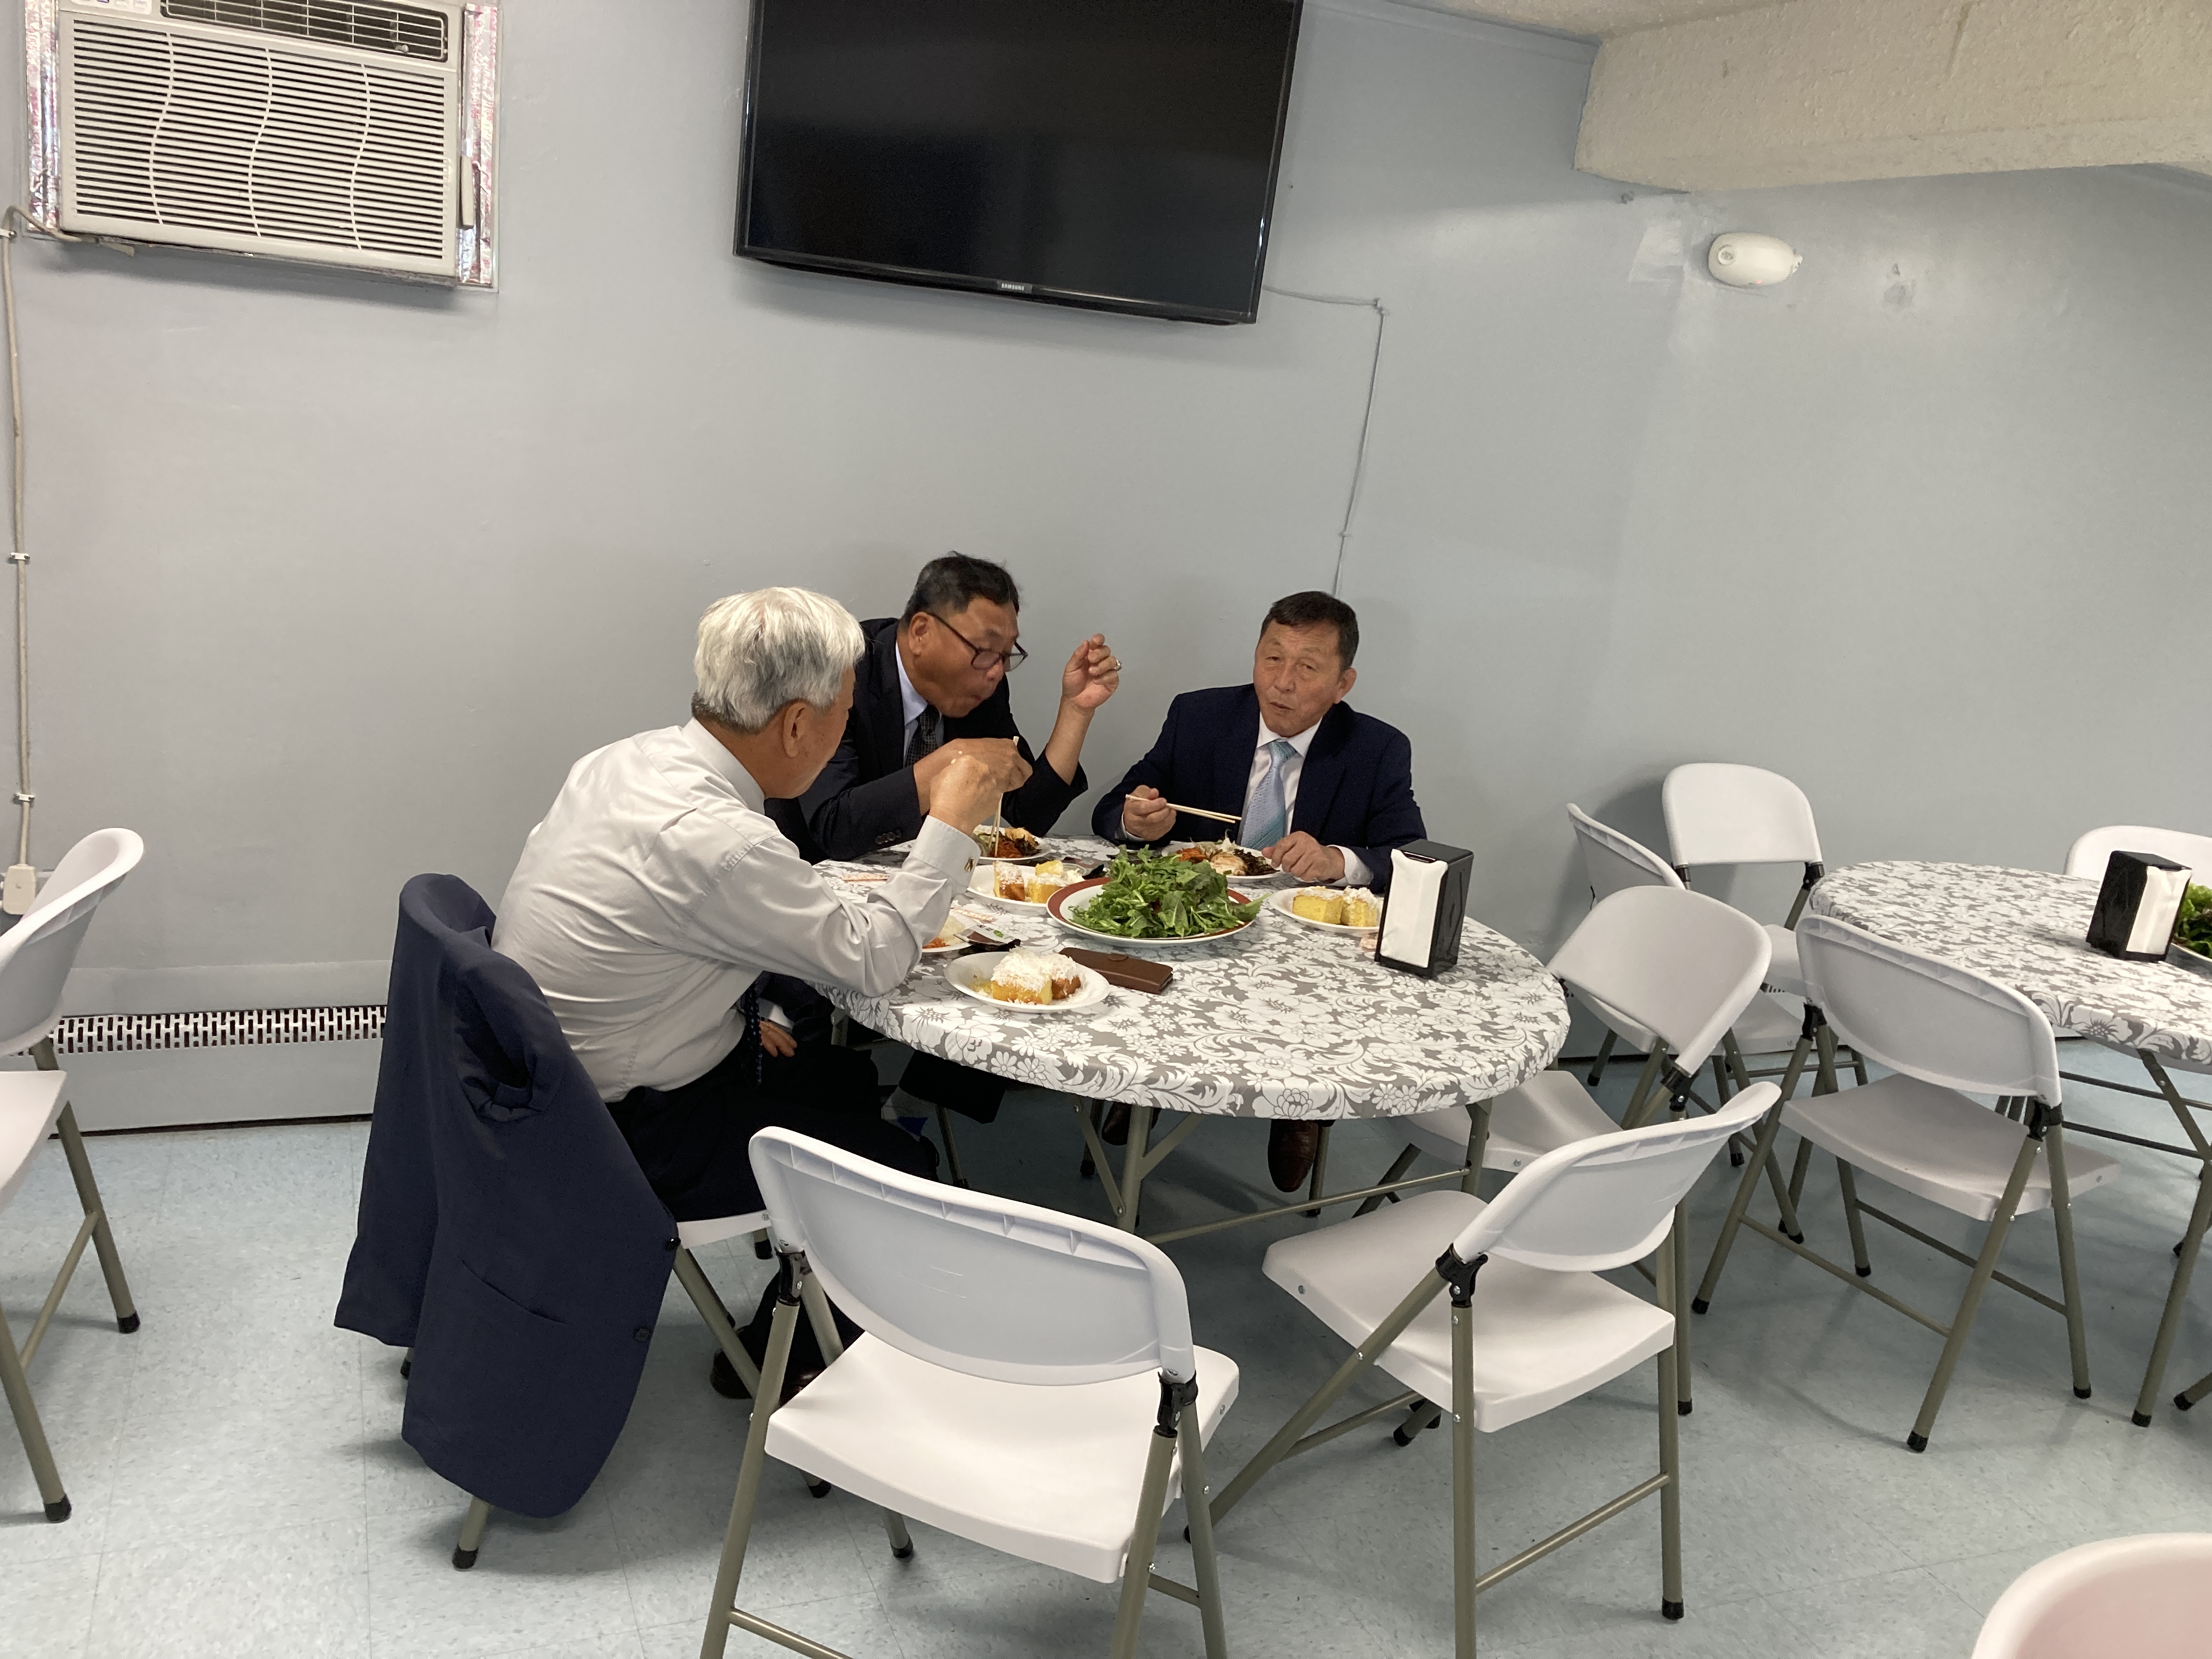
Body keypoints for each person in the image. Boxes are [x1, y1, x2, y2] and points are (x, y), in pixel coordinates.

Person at [494, 586, 1012, 1392]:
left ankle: (804, 1284)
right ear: (797, 725)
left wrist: (742, 1006)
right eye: (845, 711)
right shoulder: (724, 842)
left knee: (844, 1077)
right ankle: (792, 1361)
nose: (847, 725)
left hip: (545, 1083)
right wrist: (948, 829)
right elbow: (874, 960)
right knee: (901, 1163)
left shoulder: (625, 760)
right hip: (619, 1132)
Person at [769, 553, 1120, 1130]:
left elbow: (1017, 822)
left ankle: (916, 1106)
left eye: (1007, 655)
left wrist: (1075, 714)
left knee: (1017, 964)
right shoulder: (843, 670)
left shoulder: (981, 690)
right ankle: (843, 1129)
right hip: (818, 897)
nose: (995, 672)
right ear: (922, 631)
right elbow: (831, 827)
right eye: (984, 651)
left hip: (932, 898)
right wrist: (947, 764)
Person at [1091, 590, 1426, 1192]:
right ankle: (1143, 1086)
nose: (1283, 682)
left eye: (1308, 667)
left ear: (1343, 683)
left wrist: (1338, 860)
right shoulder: (1199, 716)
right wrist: (1136, 821)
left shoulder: (1376, 749)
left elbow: (1411, 856)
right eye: (1272, 658)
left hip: (1304, 937)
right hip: (1199, 917)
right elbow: (1114, 810)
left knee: (1327, 994)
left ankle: (1301, 1106)